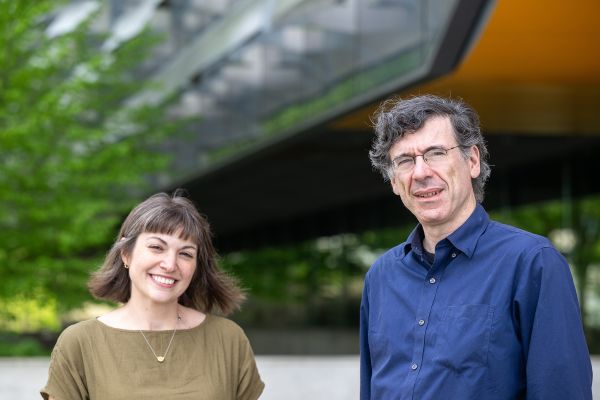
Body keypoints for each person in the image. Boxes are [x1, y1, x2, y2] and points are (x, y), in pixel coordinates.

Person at [360, 94, 593, 399]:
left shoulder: (532, 263)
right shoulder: (381, 276)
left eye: (436, 153)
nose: (420, 172)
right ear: (394, 182)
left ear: (472, 161)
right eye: (405, 160)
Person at [41, 190, 264, 400]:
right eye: (157, 247)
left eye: (185, 254)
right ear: (126, 254)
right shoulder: (79, 342)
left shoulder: (228, 339)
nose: (170, 264)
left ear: (195, 268)